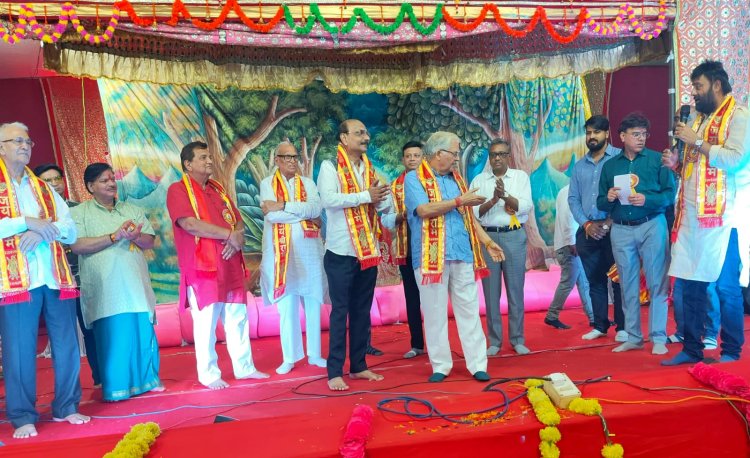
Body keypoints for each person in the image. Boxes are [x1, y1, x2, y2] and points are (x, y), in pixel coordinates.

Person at [0, 122, 89, 439]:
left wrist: (39, 232)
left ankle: (67, 406)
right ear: (1, 147)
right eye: (17, 141)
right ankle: (22, 415)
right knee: (19, 349)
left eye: (28, 141)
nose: (25, 145)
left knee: (66, 346)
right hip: (15, 282)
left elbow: (70, 230)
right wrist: (25, 222)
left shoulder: (43, 187)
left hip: (54, 277)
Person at [662, 60, 750, 365]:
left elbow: (735, 159)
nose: (695, 93)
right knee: (691, 283)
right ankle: (692, 348)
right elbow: (695, 167)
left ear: (716, 84)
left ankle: (731, 350)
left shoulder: (739, 116)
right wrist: (676, 164)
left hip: (724, 218)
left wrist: (697, 141)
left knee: (725, 287)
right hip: (691, 217)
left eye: (699, 86)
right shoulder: (699, 118)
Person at [167, 141, 269, 389]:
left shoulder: (217, 189)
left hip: (230, 264)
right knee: (206, 324)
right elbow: (189, 224)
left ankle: (245, 368)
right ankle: (209, 374)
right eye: (203, 157)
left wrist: (235, 238)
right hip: (202, 270)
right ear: (188, 164)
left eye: (209, 157)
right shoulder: (178, 190)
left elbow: (237, 222)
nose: (209, 161)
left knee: (237, 318)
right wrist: (228, 236)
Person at [405, 131, 505, 382]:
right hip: (430, 258)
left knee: (469, 309)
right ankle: (440, 366)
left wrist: (487, 242)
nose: (457, 158)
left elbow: (469, 217)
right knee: (434, 313)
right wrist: (460, 200)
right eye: (455, 153)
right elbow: (424, 210)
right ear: (439, 154)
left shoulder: (457, 179)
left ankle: (477, 364)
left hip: (461, 252)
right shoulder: (414, 178)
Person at [70, 163, 163, 400]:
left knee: (141, 333)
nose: (111, 183)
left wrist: (135, 236)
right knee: (113, 339)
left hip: (135, 285)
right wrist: (115, 236)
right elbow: (78, 245)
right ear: (91, 186)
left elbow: (150, 242)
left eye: (112, 178)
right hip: (105, 290)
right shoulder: (79, 213)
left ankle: (149, 381)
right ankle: (117, 389)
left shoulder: (131, 209)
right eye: (104, 180)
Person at [317, 119, 395, 391]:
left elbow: (381, 205)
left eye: (366, 132)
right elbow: (329, 200)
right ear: (344, 138)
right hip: (341, 251)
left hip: (367, 251)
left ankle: (359, 366)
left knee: (362, 311)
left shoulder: (369, 168)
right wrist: (366, 195)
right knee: (341, 312)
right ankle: (334, 372)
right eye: (359, 133)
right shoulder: (330, 166)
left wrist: (382, 199)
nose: (366, 137)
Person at [598, 113, 675, 355]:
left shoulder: (657, 160)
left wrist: (647, 199)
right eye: (635, 134)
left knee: (657, 282)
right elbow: (600, 202)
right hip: (620, 228)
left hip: (652, 224)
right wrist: (609, 198)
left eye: (644, 134)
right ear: (622, 136)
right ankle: (633, 337)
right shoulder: (610, 166)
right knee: (627, 284)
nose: (641, 138)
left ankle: (658, 337)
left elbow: (669, 195)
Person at [259, 142, 327, 374]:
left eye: (294, 157)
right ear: (277, 160)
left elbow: (315, 210)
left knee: (313, 302)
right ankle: (289, 357)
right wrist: (302, 213)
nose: (291, 161)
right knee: (287, 306)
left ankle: (315, 354)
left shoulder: (308, 183)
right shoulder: (267, 183)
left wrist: (284, 205)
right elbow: (272, 217)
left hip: (309, 252)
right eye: (286, 157)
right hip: (281, 254)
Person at [33, 164, 99, 383]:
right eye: (47, 181)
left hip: (83, 279)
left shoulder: (79, 210)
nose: (54, 184)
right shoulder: (33, 215)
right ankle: (69, 387)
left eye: (57, 179)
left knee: (92, 329)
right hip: (53, 283)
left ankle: (101, 377)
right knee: (63, 334)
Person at [470, 139, 533, 355]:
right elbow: (473, 213)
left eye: (501, 154)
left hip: (514, 236)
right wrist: (493, 199)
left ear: (508, 156)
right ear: (489, 157)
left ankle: (517, 339)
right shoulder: (479, 180)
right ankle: (494, 342)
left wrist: (505, 195)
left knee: (515, 290)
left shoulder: (520, 177)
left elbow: (525, 206)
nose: (497, 158)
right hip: (488, 238)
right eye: (493, 154)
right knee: (491, 292)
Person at [568, 115, 627, 342]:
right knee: (594, 280)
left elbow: (624, 195)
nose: (591, 137)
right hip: (588, 230)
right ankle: (600, 325)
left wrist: (608, 222)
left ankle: (622, 327)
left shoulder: (619, 159)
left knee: (618, 279)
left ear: (607, 133)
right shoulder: (579, 166)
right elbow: (573, 199)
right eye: (588, 133)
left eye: (596, 132)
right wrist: (586, 224)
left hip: (615, 228)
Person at [392, 141, 426, 359]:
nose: (412, 159)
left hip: (431, 250)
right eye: (408, 156)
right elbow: (386, 218)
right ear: (403, 160)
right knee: (412, 300)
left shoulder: (432, 182)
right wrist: (400, 216)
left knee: (434, 300)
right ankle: (417, 344)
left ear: (423, 157)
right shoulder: (395, 186)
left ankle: (438, 346)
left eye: (416, 155)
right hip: (407, 252)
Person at [545, 185, 594, 329]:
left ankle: (594, 317)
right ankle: (552, 315)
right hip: (569, 245)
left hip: (568, 243)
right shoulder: (570, 191)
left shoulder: (565, 190)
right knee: (568, 282)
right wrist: (572, 242)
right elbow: (567, 217)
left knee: (583, 282)